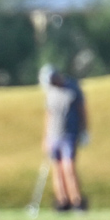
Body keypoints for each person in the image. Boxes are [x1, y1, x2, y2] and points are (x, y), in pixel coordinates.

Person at [39, 64, 88, 212]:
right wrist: (45, 137)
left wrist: (85, 131)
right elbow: (48, 115)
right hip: (54, 135)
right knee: (57, 169)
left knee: (68, 168)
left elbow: (82, 111)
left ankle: (77, 201)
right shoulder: (50, 92)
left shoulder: (73, 88)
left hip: (70, 134)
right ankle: (62, 201)